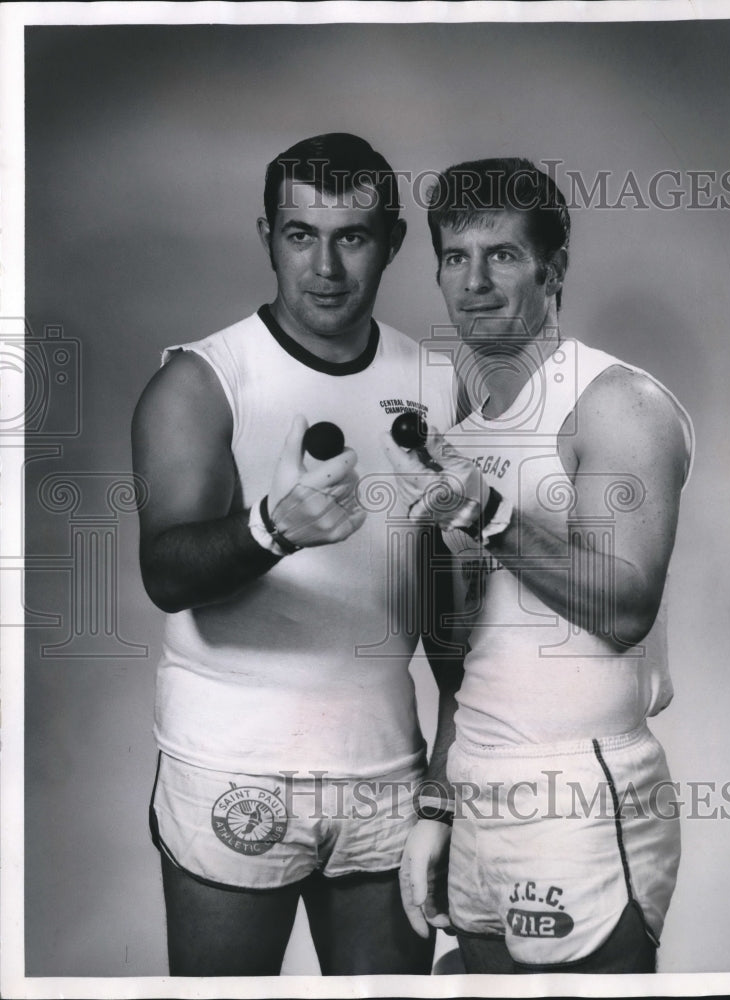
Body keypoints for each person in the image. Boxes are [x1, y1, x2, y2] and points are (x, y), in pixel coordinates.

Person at [131, 133, 455, 976]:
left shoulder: (435, 382)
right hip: (232, 762)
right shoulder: (202, 380)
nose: (325, 267)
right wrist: (272, 528)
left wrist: (447, 783)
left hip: (384, 765)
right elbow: (166, 574)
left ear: (392, 241)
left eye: (352, 237)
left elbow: (453, 609)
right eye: (300, 235)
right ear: (267, 237)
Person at [384, 157, 694, 974]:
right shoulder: (462, 440)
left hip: (579, 791)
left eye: (502, 255)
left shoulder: (616, 403)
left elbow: (624, 609)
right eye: (455, 258)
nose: (474, 282)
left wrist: (486, 514)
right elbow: (462, 666)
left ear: (553, 271)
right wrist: (438, 805)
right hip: (476, 784)